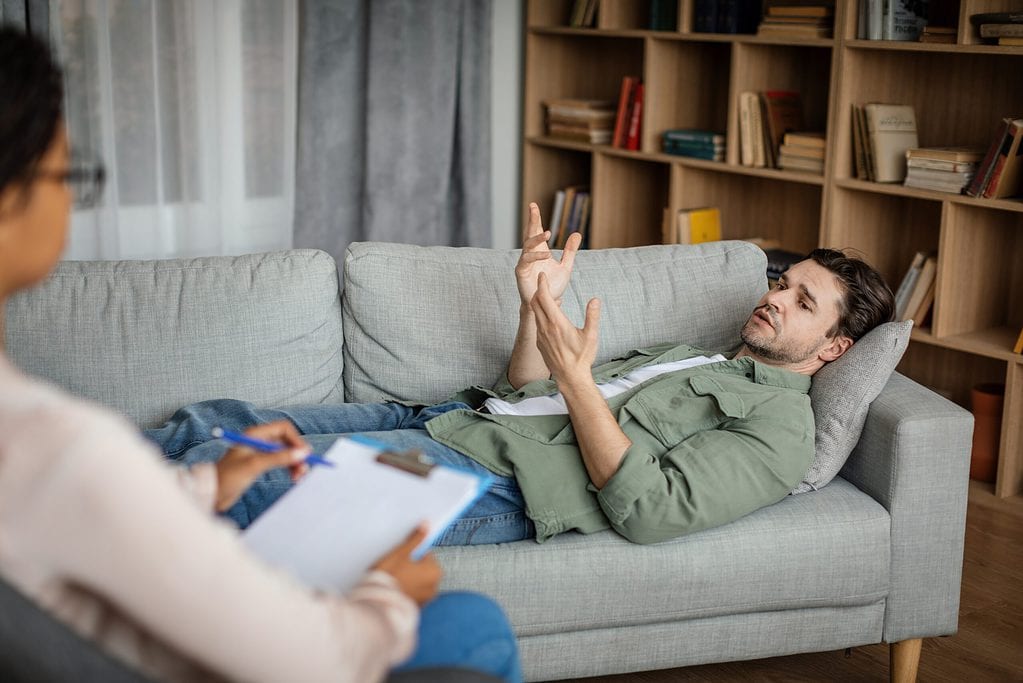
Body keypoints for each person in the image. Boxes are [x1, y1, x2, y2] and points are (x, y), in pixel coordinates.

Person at [0, 27, 521, 683]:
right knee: (473, 624)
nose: (70, 198)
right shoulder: (60, 447)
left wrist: (204, 485)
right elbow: (316, 659)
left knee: (226, 429)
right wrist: (386, 591)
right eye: (66, 173)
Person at [150, 200, 896, 547]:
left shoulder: (779, 428)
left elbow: (647, 512)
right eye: (780, 280)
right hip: (451, 420)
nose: (773, 297)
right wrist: (534, 304)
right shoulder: (698, 353)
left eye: (802, 302)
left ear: (832, 348)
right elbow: (520, 391)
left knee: (233, 471)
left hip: (487, 481)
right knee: (210, 419)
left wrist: (577, 380)